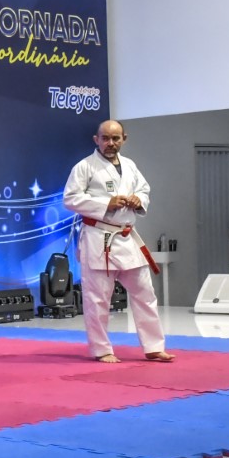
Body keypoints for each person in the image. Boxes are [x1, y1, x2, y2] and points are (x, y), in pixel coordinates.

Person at [62, 119, 175, 363]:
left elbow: (144, 190)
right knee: (97, 299)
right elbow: (70, 199)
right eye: (105, 138)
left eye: (115, 138)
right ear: (96, 140)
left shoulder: (130, 165)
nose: (110, 143)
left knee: (145, 293)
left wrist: (138, 200)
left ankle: (154, 347)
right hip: (99, 238)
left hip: (126, 236)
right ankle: (101, 349)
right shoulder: (84, 167)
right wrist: (106, 204)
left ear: (124, 139)